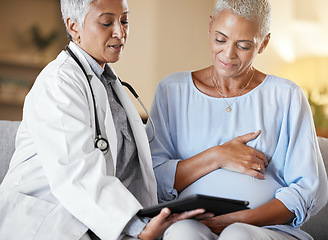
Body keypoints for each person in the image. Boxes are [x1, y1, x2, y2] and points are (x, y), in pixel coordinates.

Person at [0, 0, 208, 239]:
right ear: (74, 26)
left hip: (103, 221)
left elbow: (131, 171)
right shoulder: (58, 83)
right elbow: (76, 172)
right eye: (107, 22)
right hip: (47, 221)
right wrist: (138, 227)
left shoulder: (108, 83)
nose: (120, 32)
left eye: (125, 21)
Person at [146, 0, 328, 239]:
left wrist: (236, 220)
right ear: (210, 26)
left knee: (237, 236)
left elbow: (306, 191)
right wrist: (217, 156)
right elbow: (152, 179)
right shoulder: (172, 91)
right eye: (220, 39)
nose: (228, 54)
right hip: (189, 222)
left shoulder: (287, 96)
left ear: (263, 43)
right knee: (182, 234)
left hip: (266, 229)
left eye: (243, 45)